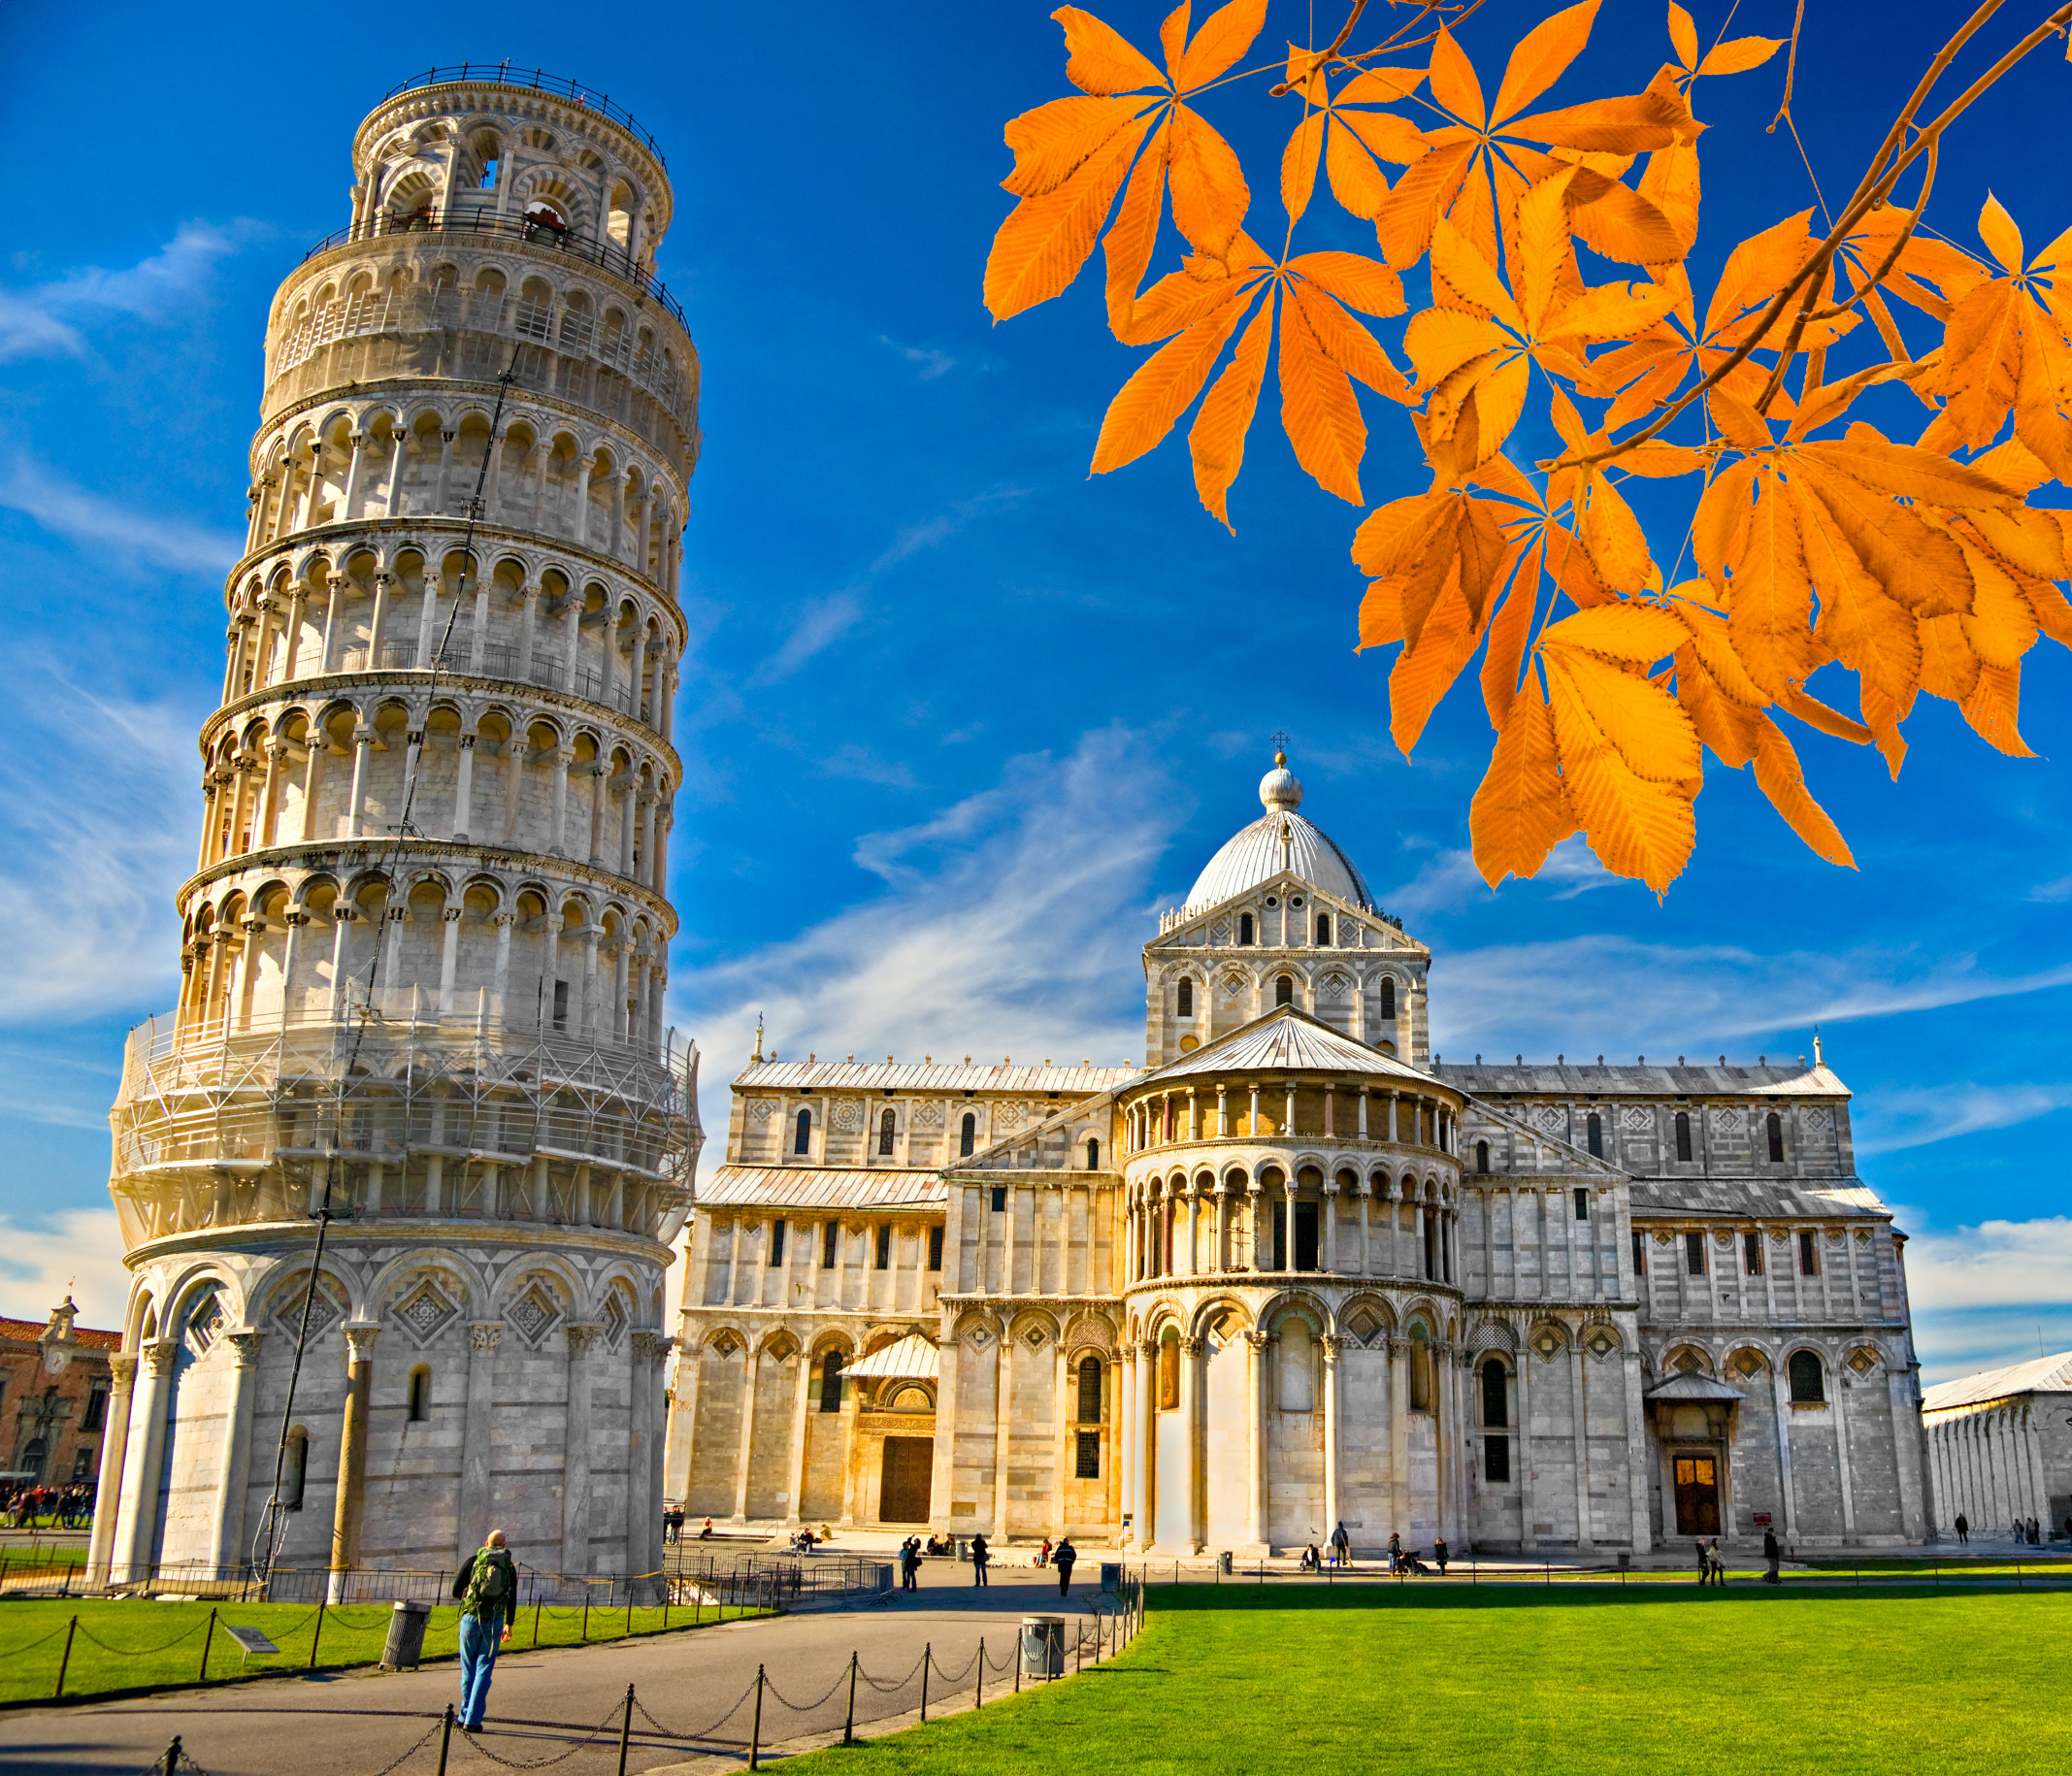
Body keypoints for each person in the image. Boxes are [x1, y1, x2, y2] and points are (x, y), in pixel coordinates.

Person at [451, 1528, 517, 1733]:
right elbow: (512, 1597)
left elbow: (455, 1591)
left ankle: (464, 1713)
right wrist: (509, 1624)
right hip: (495, 1620)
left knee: (468, 1669)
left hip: (471, 1619)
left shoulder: (474, 1561)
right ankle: (473, 1719)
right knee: (484, 1669)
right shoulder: (508, 1566)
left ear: (486, 1543)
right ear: (504, 1546)